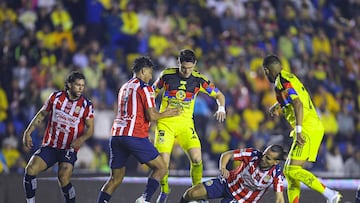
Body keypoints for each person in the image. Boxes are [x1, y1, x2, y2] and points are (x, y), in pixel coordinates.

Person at [96, 56, 180, 203]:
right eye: (149, 73)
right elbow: (152, 115)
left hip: (116, 135)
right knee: (161, 168)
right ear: (143, 71)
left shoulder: (124, 87)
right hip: (134, 135)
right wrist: (168, 112)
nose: (151, 76)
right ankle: (144, 199)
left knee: (115, 179)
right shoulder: (145, 88)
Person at [262, 55, 342, 203]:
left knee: (292, 170)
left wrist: (299, 131)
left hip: (307, 128)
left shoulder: (282, 82)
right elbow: (297, 98)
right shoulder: (288, 77)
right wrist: (278, 105)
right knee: (289, 171)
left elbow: (298, 104)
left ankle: (330, 194)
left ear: (267, 71)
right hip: (311, 126)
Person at [153, 49, 226, 203]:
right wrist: (150, 113)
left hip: (186, 125)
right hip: (166, 124)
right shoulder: (166, 75)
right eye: (183, 68)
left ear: (195, 65)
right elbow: (152, 93)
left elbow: (219, 95)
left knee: (197, 159)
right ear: (178, 63)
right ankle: (165, 191)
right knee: (163, 163)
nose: (187, 71)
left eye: (190, 68)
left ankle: (197, 193)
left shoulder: (199, 80)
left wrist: (221, 107)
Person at [22, 71, 94, 203]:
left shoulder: (86, 105)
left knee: (63, 177)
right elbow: (42, 115)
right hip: (51, 145)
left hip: (69, 148)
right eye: (77, 85)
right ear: (69, 85)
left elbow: (90, 129)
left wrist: (81, 139)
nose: (80, 88)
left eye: (82, 85)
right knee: (30, 169)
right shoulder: (55, 98)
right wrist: (28, 132)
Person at [180, 144, 286, 203]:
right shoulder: (253, 154)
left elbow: (280, 199)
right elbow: (227, 155)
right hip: (227, 182)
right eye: (264, 154)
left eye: (267, 158)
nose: (263, 158)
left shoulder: (276, 174)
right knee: (191, 194)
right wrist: (223, 168)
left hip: (242, 200)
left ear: (276, 162)